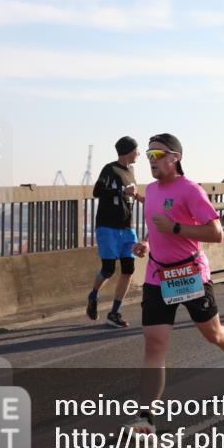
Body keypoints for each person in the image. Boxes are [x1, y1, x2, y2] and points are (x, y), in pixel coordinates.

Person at [127, 133, 224, 435]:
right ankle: (145, 417)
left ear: (175, 158)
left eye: (158, 155)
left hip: (190, 273)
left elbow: (216, 233)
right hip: (158, 275)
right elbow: (156, 226)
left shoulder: (190, 190)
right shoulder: (152, 191)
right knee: (154, 344)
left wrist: (174, 228)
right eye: (149, 155)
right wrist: (146, 243)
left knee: (213, 334)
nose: (151, 161)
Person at [87, 136, 142, 328]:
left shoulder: (131, 171)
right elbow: (97, 191)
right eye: (137, 150)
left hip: (128, 228)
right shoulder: (110, 169)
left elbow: (131, 195)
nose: (139, 153)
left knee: (129, 269)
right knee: (108, 269)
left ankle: (114, 312)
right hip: (107, 226)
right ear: (128, 151)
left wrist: (142, 198)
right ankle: (93, 295)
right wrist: (120, 191)